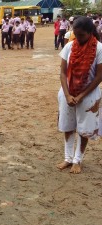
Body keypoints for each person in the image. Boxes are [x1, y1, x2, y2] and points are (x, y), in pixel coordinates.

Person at [56, 16, 102, 174]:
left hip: (88, 95)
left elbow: (99, 77)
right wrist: (68, 95)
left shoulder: (99, 48)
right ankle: (68, 158)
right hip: (67, 92)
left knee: (84, 128)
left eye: (82, 35)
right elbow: (62, 72)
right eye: (76, 34)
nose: (78, 38)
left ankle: (78, 160)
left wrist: (81, 95)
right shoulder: (69, 47)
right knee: (67, 126)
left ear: (90, 32)